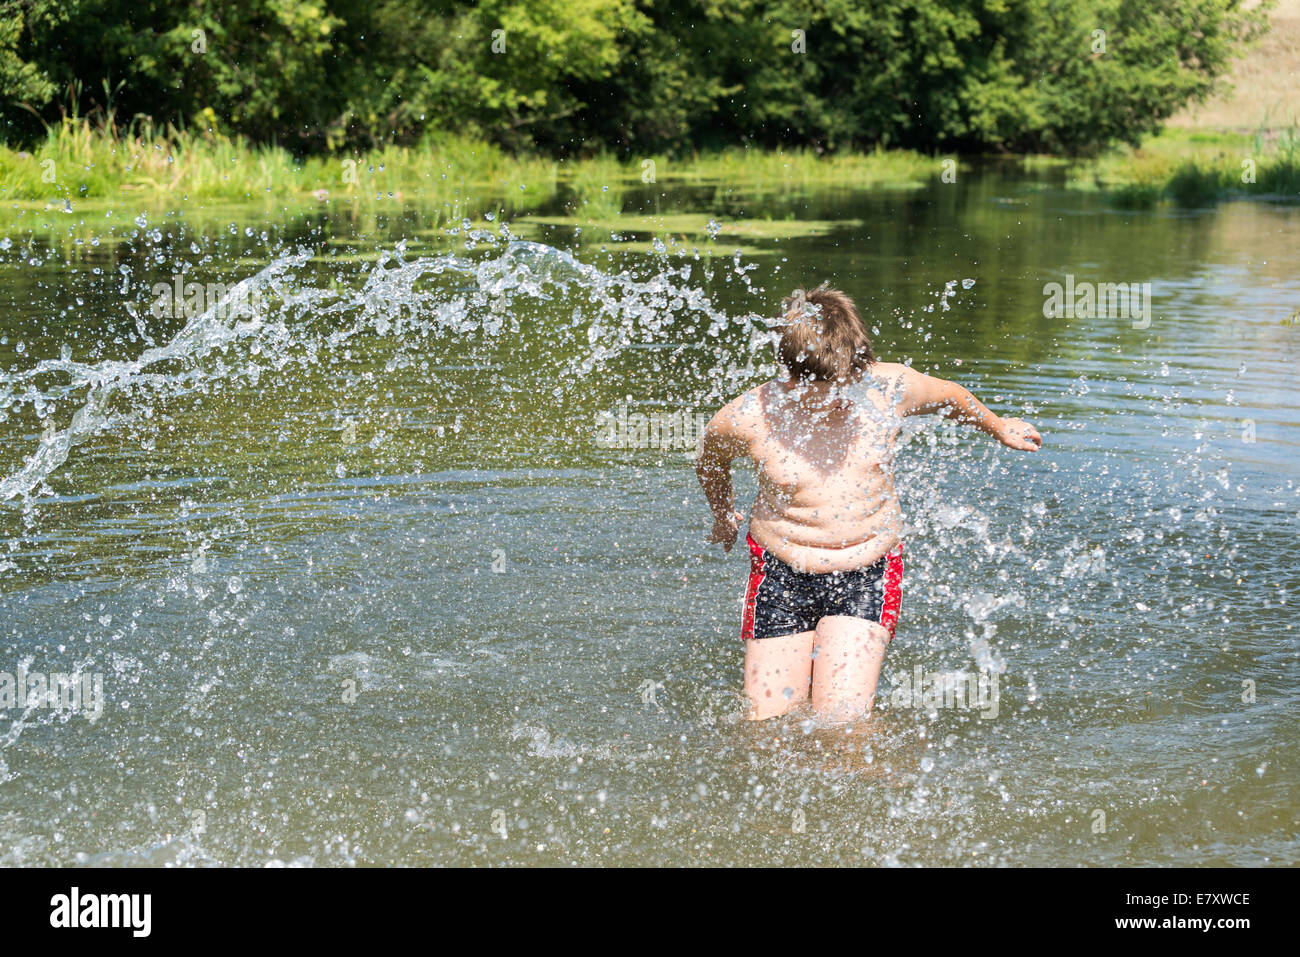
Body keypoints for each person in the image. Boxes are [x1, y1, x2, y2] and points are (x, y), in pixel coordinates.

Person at [695, 285, 1042, 722]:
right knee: (766, 724)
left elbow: (952, 396)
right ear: (791, 369)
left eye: (848, 378)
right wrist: (722, 512)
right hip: (780, 572)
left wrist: (998, 426)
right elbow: (709, 461)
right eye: (821, 384)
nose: (837, 394)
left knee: (840, 721)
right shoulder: (748, 416)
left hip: (865, 571)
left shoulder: (890, 387)